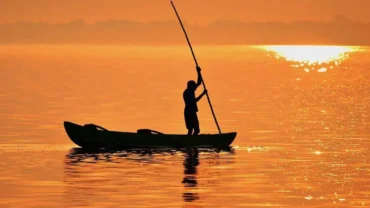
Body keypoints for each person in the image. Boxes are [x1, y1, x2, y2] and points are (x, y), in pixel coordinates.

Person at [183, 66, 207, 135]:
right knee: (191, 129)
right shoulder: (187, 93)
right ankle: (189, 141)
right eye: (193, 86)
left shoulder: (191, 90)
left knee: (197, 130)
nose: (195, 88)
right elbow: (194, 101)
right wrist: (203, 94)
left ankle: (193, 140)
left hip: (192, 111)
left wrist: (198, 72)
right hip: (189, 112)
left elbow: (199, 82)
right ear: (190, 86)